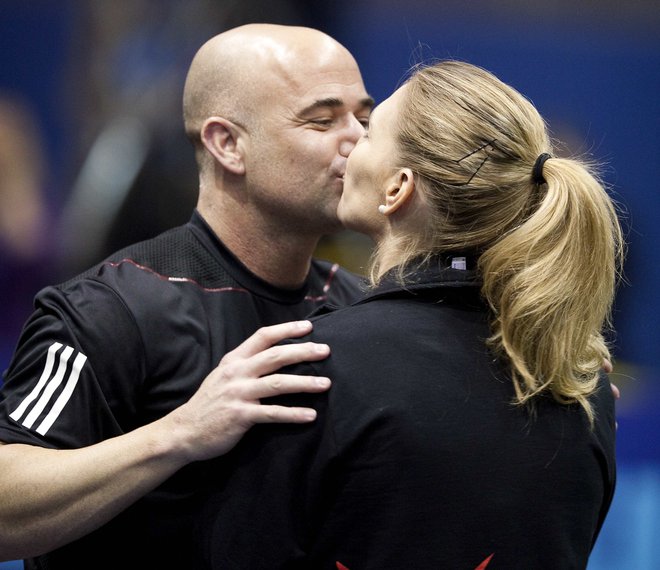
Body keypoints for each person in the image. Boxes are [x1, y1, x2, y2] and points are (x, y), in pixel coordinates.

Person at [194, 60, 624, 569]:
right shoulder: (581, 389)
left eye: (370, 131)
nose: (349, 142)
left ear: (397, 188)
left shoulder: (311, 371)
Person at [0, 24, 373, 567]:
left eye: (364, 118)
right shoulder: (111, 309)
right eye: (321, 120)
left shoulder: (362, 308)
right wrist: (180, 433)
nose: (358, 141)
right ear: (227, 144)